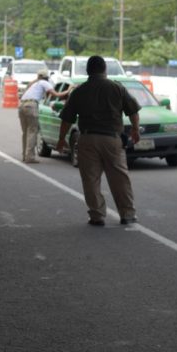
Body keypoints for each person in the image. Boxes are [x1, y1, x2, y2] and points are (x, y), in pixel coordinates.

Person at [55, 56, 140, 226]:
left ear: (88, 71)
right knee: (119, 178)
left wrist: (61, 139)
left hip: (87, 139)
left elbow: (67, 119)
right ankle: (127, 214)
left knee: (90, 179)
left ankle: (97, 215)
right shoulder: (117, 88)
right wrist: (136, 130)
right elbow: (133, 111)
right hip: (112, 139)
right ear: (105, 70)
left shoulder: (79, 91)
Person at [18, 69, 68, 163]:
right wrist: (69, 90)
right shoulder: (44, 82)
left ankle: (25, 156)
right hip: (31, 105)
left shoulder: (33, 83)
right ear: (46, 77)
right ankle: (30, 157)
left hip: (22, 106)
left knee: (25, 132)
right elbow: (56, 94)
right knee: (32, 131)